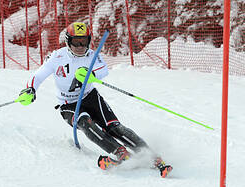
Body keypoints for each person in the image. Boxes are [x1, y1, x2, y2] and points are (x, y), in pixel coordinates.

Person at [17, 22, 172, 177]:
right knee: (85, 122)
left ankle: (150, 155)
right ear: (67, 41)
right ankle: (120, 153)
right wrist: (31, 89)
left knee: (114, 127)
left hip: (91, 97)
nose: (80, 46)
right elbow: (38, 75)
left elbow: (103, 69)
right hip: (68, 104)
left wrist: (90, 74)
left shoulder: (92, 55)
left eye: (83, 41)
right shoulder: (57, 57)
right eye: (75, 42)